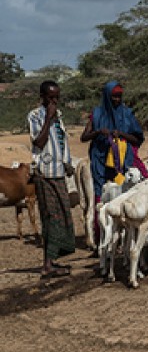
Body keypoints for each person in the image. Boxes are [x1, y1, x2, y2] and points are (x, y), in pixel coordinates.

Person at [28, 80, 75, 279]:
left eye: (57, 97)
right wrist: (48, 118)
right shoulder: (35, 116)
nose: (54, 101)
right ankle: (47, 265)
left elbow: (62, 142)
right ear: (43, 97)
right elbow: (39, 141)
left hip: (58, 172)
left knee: (64, 214)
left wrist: (68, 163)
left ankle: (53, 258)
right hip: (44, 173)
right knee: (50, 216)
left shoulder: (60, 117)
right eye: (51, 98)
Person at [80, 80, 145, 211]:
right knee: (102, 195)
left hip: (123, 160)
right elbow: (84, 137)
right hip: (101, 160)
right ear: (107, 96)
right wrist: (98, 132)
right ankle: (102, 229)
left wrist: (121, 134)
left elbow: (137, 139)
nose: (117, 99)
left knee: (137, 188)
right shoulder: (97, 114)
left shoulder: (127, 114)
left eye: (119, 96)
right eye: (114, 96)